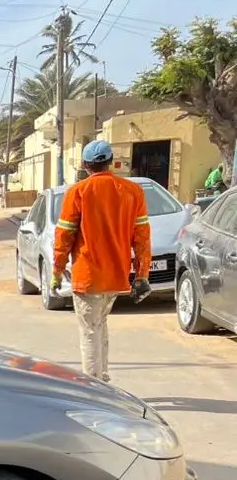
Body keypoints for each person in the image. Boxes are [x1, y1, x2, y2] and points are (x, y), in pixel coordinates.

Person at [52, 139, 152, 383]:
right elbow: (142, 238)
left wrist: (56, 271)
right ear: (109, 162)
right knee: (100, 325)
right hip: (116, 276)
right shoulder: (133, 191)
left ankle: (93, 386)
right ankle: (103, 378)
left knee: (89, 330)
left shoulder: (77, 192)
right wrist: (142, 275)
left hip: (88, 276)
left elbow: (64, 235)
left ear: (86, 165)